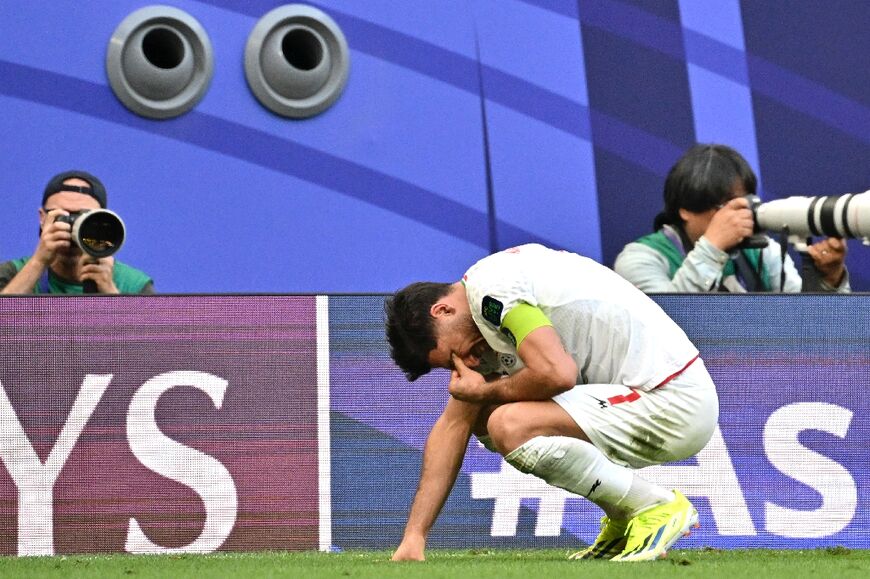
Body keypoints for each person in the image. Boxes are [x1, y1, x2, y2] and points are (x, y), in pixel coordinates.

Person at [384, 243, 718, 563]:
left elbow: (558, 374)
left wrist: (484, 392)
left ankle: (653, 507)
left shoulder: (491, 292)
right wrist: (414, 536)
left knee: (509, 423)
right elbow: (452, 426)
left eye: (454, 355)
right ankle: (623, 516)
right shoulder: (479, 325)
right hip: (645, 400)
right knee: (485, 414)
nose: (466, 364)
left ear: (442, 310)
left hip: (671, 399)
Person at [613, 144, 850, 293]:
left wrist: (829, 282)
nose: (738, 216)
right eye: (724, 206)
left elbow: (809, 332)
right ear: (685, 208)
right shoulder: (639, 259)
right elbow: (666, 330)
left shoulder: (763, 252)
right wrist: (713, 246)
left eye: (744, 202)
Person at [0, 170, 154, 294]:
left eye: (84, 217)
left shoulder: (133, 285)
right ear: (43, 217)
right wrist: (38, 262)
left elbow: (150, 333)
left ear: (103, 219)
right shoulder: (14, 273)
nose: (73, 226)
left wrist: (110, 292)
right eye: (63, 215)